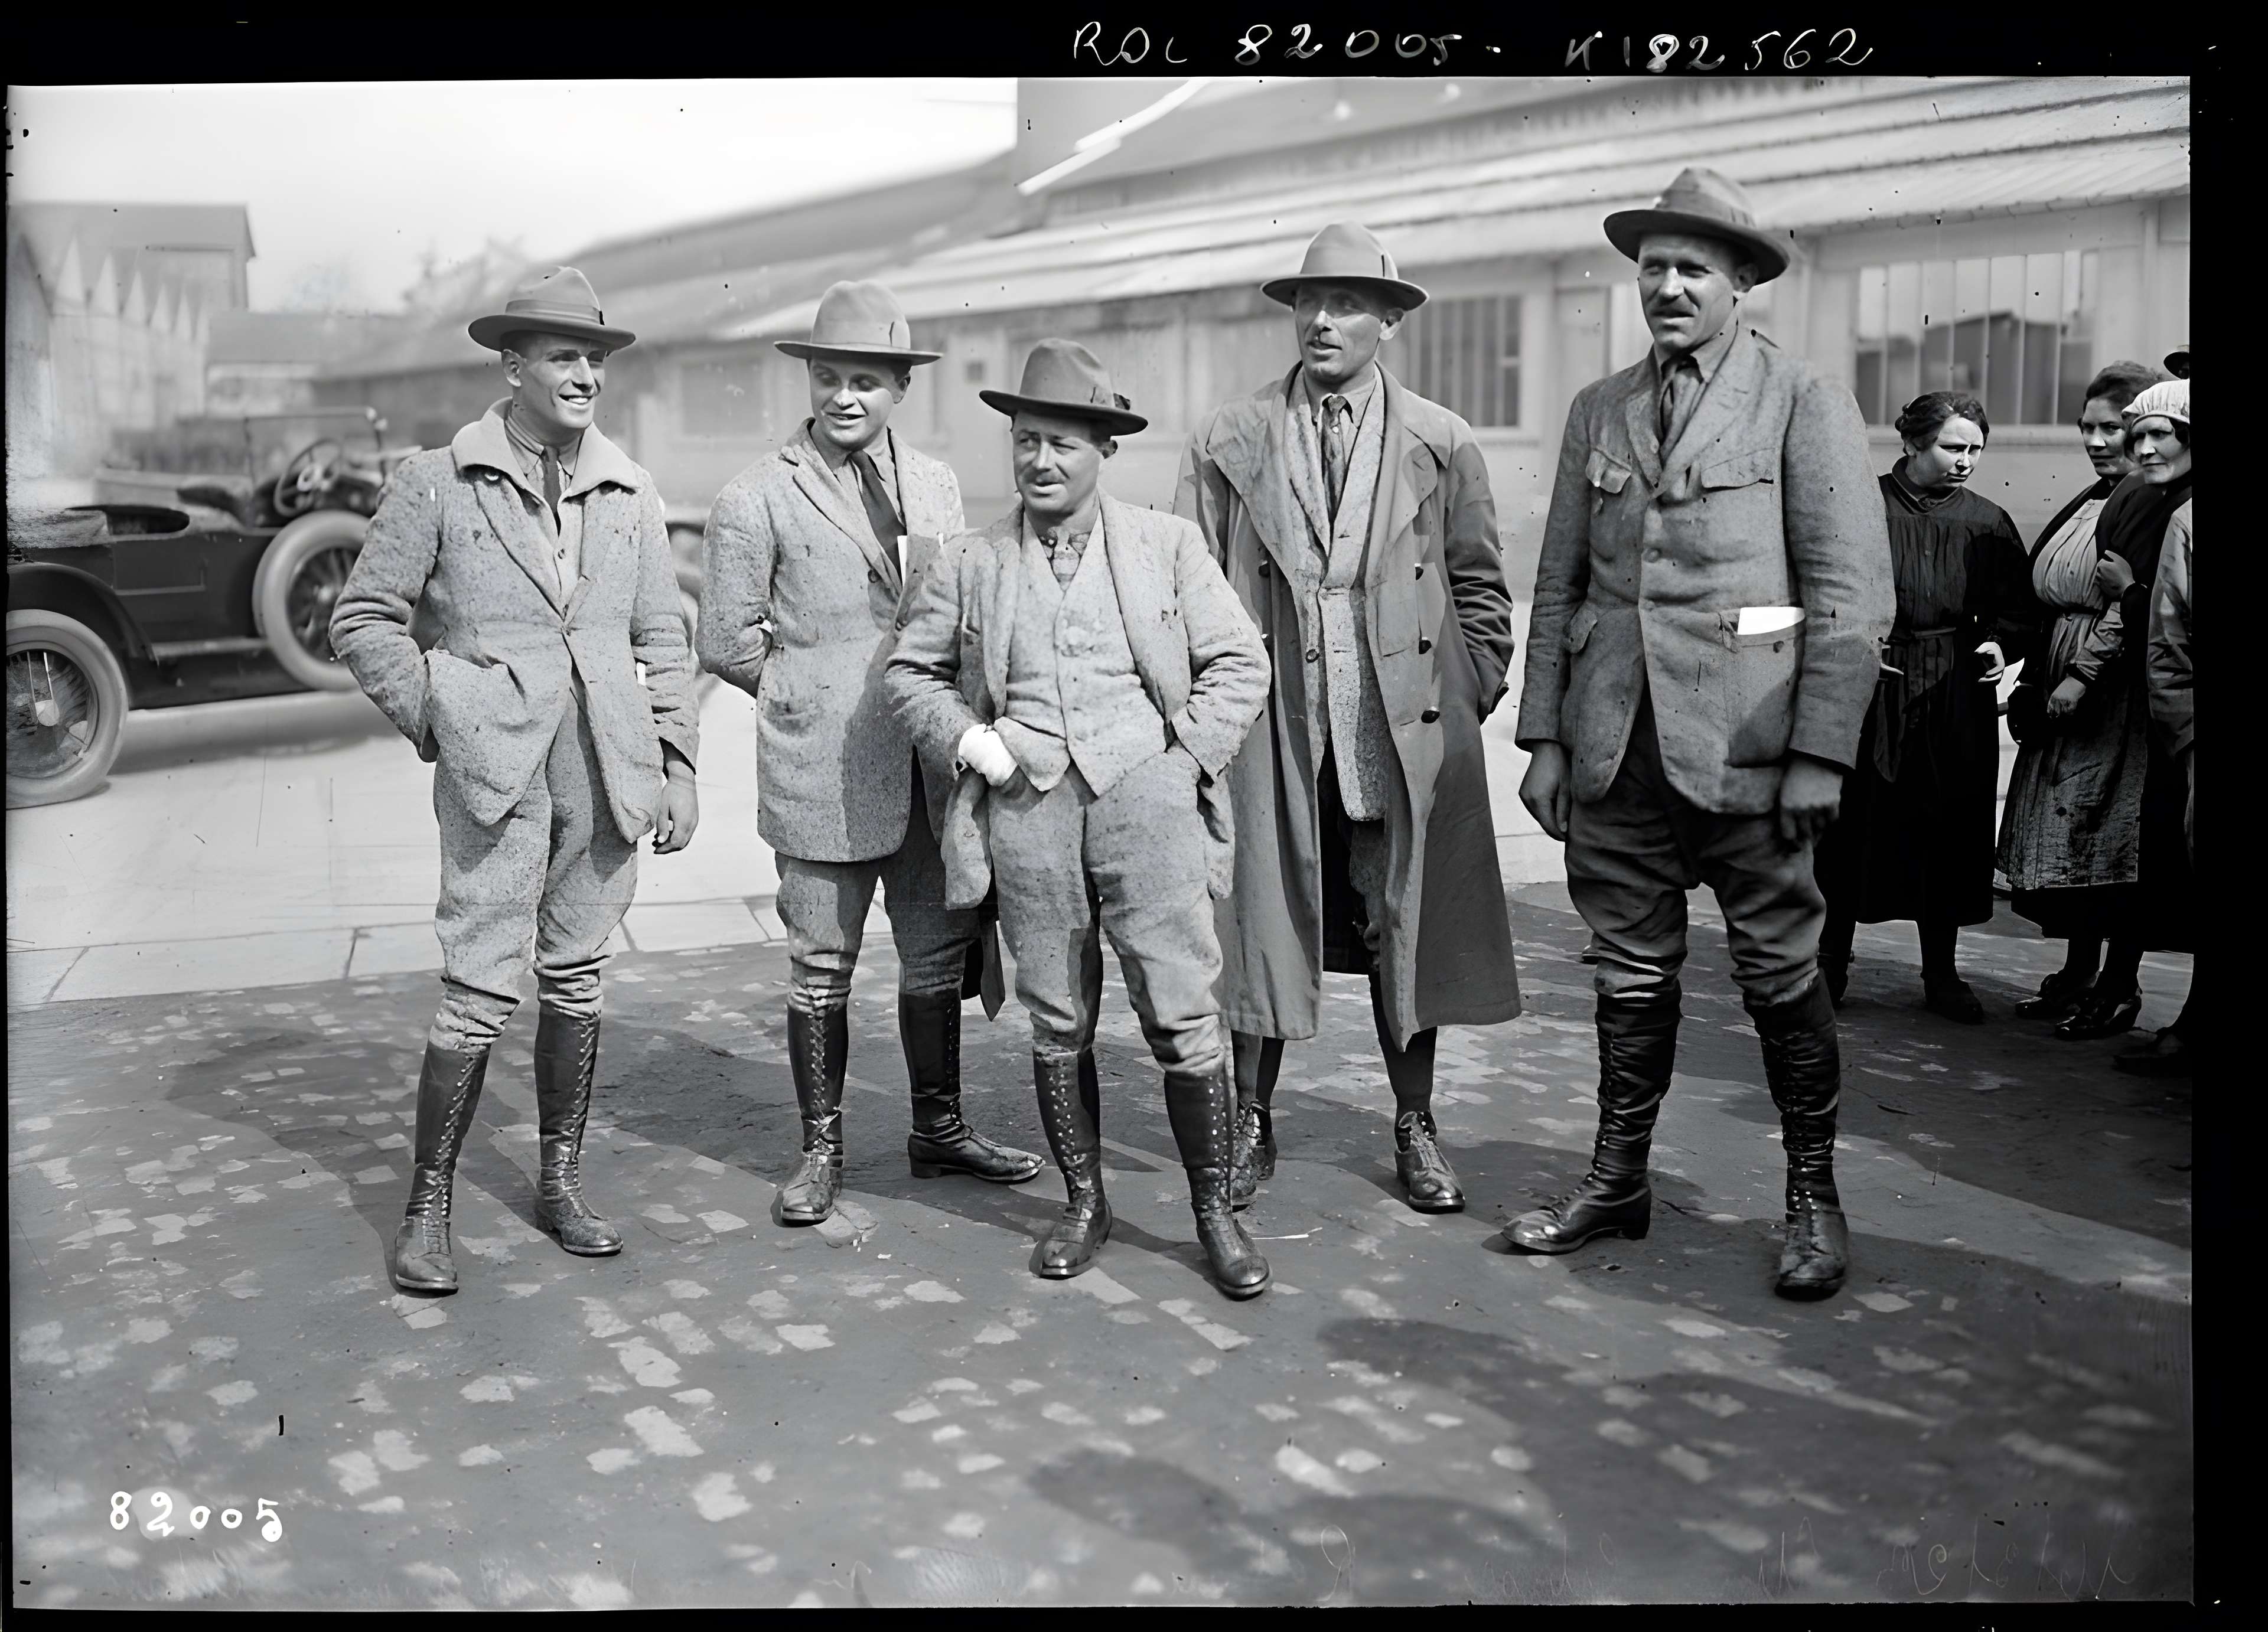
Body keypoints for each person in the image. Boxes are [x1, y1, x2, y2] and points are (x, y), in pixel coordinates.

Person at [1508, 169, 1894, 1301]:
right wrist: (1545, 737)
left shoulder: (1801, 399)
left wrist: (1820, 752)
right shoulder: (1600, 406)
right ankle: (1616, 1177)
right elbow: (1560, 582)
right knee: (1628, 967)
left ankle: (1813, 1195)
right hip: (1615, 742)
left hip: (1750, 746)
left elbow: (1849, 593)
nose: (1668, 286)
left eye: (1693, 269)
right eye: (1653, 268)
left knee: (1779, 971)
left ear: (1740, 284)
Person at [330, 267, 701, 1294]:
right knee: (478, 989)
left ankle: (561, 1185)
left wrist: (678, 761)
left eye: (595, 358)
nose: (585, 375)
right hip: (496, 774)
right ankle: (428, 1208)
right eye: (562, 357)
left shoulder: (631, 489)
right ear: (512, 366)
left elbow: (664, 633)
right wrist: (441, 712)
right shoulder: (439, 480)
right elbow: (363, 618)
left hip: (607, 770)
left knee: (578, 975)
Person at [885, 340, 1273, 1297]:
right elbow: (909, 673)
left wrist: (1183, 761)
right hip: (1029, 812)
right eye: (1026, 441)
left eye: (1062, 443)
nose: (1040, 460)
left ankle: (1213, 1213)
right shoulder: (974, 559)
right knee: (1058, 1017)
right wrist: (977, 744)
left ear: (1105, 449)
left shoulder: (1166, 545)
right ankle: (1085, 1201)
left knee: (1182, 1011)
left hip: (1150, 807)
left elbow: (1240, 661)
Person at [1173, 221, 1522, 1216]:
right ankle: (1250, 1118)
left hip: (1397, 730)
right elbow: (1185, 589)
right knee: (1260, 916)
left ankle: (1414, 1123)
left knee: (1401, 920)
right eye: (1308, 303)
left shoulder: (1441, 440)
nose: (1322, 321)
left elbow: (1481, 587)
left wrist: (1463, 694)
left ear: (1389, 323)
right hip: (1271, 726)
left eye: (1348, 304)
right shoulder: (1228, 438)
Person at [697, 281, 1040, 1227]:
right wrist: (808, 692)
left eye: (866, 381)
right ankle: (821, 1151)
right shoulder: (755, 496)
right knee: (822, 965)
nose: (844, 397)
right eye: (829, 378)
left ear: (901, 388)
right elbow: (724, 640)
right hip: (824, 771)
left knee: (935, 959)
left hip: (930, 768)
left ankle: (939, 1129)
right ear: (809, 380)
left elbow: (954, 608)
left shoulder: (934, 484)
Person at [1814, 392, 2031, 1021]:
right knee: (1852, 825)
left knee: (1949, 826)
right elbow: (1818, 590)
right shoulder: (1860, 507)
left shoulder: (1988, 521)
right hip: (1868, 687)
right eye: (1952, 447)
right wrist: (1855, 645)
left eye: (1975, 449)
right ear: (1911, 442)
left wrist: (1999, 643)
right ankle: (1830, 963)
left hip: (1954, 690)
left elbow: (2019, 610)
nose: (1965, 461)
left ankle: (1942, 973)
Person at [1997, 367, 2190, 1039]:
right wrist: (2034, 677)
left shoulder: (2162, 503)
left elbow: (2141, 605)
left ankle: (2117, 983)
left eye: (2117, 428)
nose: (2101, 441)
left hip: (2122, 689)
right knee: (2073, 835)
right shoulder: (2099, 498)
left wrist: (2082, 672)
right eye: (2090, 428)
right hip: (2066, 670)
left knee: (2117, 839)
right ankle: (2079, 969)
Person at [2113, 383, 2195, 1078]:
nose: (2143, 449)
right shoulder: (2178, 516)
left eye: (2159, 434)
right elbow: (2168, 644)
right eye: (2136, 436)